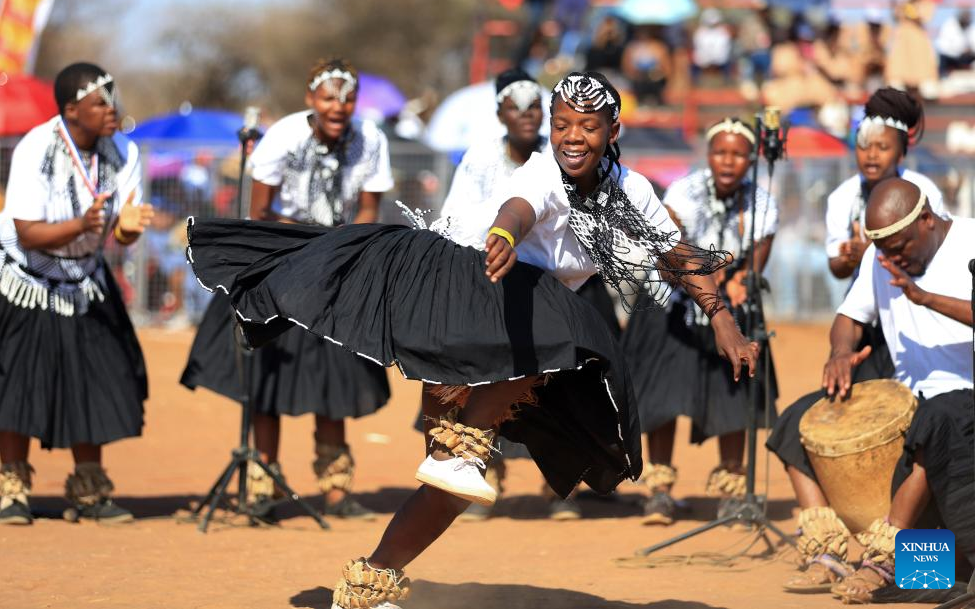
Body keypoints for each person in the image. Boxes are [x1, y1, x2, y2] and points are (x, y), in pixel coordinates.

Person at [183, 70, 759, 609]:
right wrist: (506, 232)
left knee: (456, 476)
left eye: (587, 126)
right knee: (576, 326)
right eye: (561, 125)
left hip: (516, 315)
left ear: (614, 131)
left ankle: (371, 581)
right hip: (467, 276)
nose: (571, 137)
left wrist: (722, 319)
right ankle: (448, 431)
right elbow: (520, 207)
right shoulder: (541, 172)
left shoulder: (631, 191)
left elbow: (675, 253)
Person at [180, 58, 392, 521]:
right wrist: (305, 246)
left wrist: (341, 253)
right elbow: (260, 212)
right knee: (268, 377)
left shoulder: (371, 139)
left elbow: (369, 211)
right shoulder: (284, 137)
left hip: (341, 261)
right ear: (310, 100)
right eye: (329, 97)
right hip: (282, 257)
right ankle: (264, 482)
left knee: (335, 378)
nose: (339, 106)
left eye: (348, 98)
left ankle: (336, 488)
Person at [0, 62, 154, 525]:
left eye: (111, 99)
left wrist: (125, 231)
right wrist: (84, 225)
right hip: (21, 273)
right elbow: (29, 234)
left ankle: (89, 490)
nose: (111, 109)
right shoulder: (37, 147)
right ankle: (13, 490)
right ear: (70, 110)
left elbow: (121, 232)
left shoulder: (124, 150)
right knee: (16, 379)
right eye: (99, 102)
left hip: (81, 275)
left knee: (96, 377)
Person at [767, 178, 974, 602]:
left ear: (928, 220)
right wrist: (841, 351)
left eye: (901, 246)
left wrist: (925, 297)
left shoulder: (970, 240)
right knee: (798, 421)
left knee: (934, 423)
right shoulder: (880, 258)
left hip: (964, 397)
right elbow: (849, 316)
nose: (893, 258)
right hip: (910, 398)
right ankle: (825, 552)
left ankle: (886, 559)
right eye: (885, 249)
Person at [432, 67, 619, 522]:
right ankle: (481, 473)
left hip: (569, 289)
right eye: (516, 107)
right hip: (498, 280)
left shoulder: (564, 151)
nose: (527, 116)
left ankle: (561, 486)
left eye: (535, 107)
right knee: (485, 380)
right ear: (500, 113)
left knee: (566, 389)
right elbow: (457, 218)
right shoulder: (481, 158)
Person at [624, 118, 779, 525]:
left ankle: (731, 487)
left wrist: (743, 279)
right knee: (662, 398)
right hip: (672, 304)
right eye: (719, 152)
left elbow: (755, 265)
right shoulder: (683, 192)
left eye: (738, 154)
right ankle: (659, 491)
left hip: (731, 308)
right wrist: (714, 279)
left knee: (734, 392)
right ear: (708, 156)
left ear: (751, 158)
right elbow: (671, 256)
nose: (728, 161)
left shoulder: (763, 204)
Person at [825, 87, 946, 382]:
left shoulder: (924, 192)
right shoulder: (843, 197)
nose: (871, 155)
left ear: (902, 151)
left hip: (916, 308)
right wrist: (851, 259)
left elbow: (938, 252)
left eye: (882, 147)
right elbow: (836, 268)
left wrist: (873, 251)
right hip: (863, 314)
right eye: (864, 146)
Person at [885, 0, 938, 97]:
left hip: (919, 43)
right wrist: (896, 4)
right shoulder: (903, 3)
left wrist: (907, 7)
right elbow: (895, 16)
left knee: (926, 78)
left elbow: (920, 17)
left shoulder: (927, 3)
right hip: (903, 43)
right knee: (896, 76)